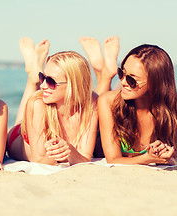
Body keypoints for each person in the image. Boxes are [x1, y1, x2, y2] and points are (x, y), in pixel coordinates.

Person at [7, 36, 119, 165]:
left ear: (73, 85)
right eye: (42, 77)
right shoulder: (38, 103)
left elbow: (85, 157)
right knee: (32, 103)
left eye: (50, 81)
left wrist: (69, 150)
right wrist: (68, 153)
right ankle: (32, 78)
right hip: (19, 137)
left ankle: (104, 74)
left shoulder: (92, 102)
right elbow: (39, 161)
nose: (43, 85)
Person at [98, 44, 177, 165]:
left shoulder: (176, 103)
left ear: (155, 83)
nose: (122, 81)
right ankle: (103, 73)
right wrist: (146, 159)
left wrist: (164, 156)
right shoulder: (108, 102)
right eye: (121, 73)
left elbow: (173, 158)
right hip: (96, 147)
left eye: (131, 80)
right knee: (93, 100)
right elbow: (113, 160)